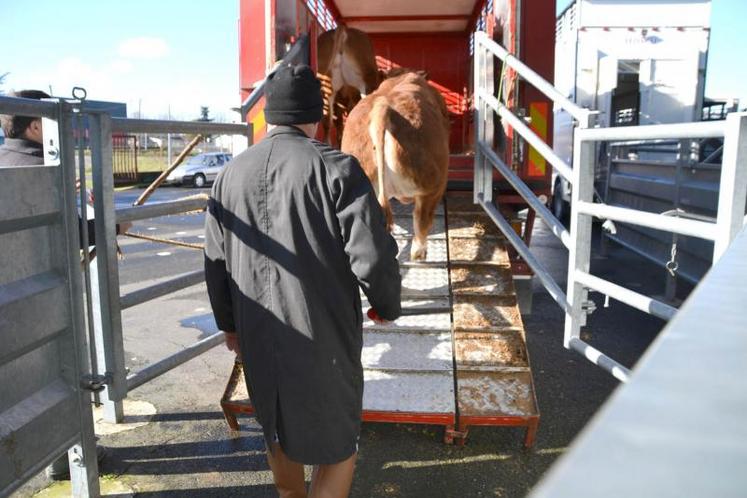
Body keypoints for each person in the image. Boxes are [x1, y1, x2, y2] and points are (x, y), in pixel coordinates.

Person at [204, 64, 401, 497]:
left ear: (269, 116)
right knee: (337, 449)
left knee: (277, 428)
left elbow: (215, 262)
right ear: (315, 115)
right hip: (322, 334)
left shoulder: (228, 176)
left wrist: (230, 326)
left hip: (258, 333)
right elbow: (371, 254)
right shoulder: (337, 169)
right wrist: (386, 305)